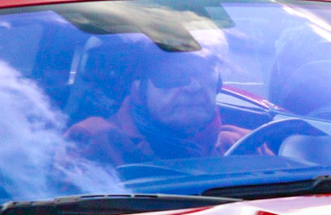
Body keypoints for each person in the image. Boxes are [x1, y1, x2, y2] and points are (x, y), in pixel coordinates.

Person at [67, 48, 243, 166]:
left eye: (205, 71)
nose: (193, 87)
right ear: (138, 87)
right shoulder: (95, 141)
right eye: (172, 74)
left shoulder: (242, 144)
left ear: (218, 82)